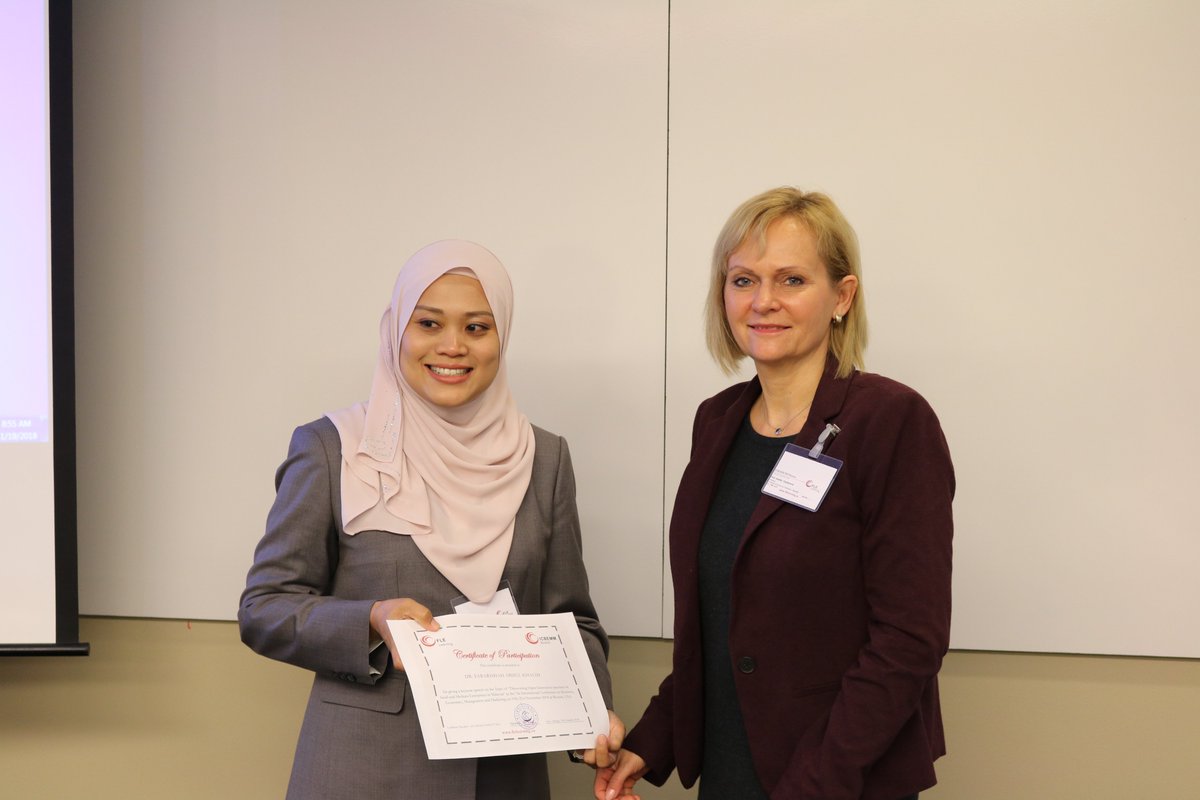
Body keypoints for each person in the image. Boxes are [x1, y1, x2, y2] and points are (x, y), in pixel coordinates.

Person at [596, 188, 954, 800]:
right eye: (743, 280)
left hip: (837, 780)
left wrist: (813, 785)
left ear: (842, 296)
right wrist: (651, 742)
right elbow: (718, 623)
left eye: (791, 279)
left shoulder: (890, 420)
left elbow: (908, 640)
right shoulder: (717, 421)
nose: (763, 301)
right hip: (730, 770)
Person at [239, 240, 623, 800]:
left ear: (502, 338)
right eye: (429, 323)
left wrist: (592, 711)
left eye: (477, 327)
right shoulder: (333, 448)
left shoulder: (543, 459)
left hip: (503, 777)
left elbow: (572, 620)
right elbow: (265, 608)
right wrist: (371, 620)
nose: (452, 346)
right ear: (397, 329)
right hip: (364, 774)